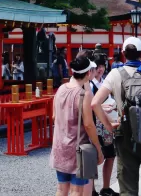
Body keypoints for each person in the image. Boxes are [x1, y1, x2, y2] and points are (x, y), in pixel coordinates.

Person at [92, 37, 141, 196]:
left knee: (128, 187)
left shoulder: (114, 74)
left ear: (123, 53)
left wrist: (109, 125)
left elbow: (94, 103)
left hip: (124, 135)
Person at [52, 54, 102, 196]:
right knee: (77, 190)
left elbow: (54, 116)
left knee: (61, 188)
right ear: (88, 73)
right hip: (78, 147)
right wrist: (98, 148)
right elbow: (88, 125)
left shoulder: (61, 89)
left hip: (60, 145)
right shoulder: (83, 94)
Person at [91, 55, 119, 196]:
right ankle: (92, 189)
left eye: (102, 66)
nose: (100, 69)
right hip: (95, 124)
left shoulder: (105, 82)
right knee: (94, 156)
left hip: (107, 124)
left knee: (110, 155)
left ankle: (106, 187)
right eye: (97, 67)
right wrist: (101, 107)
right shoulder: (89, 85)